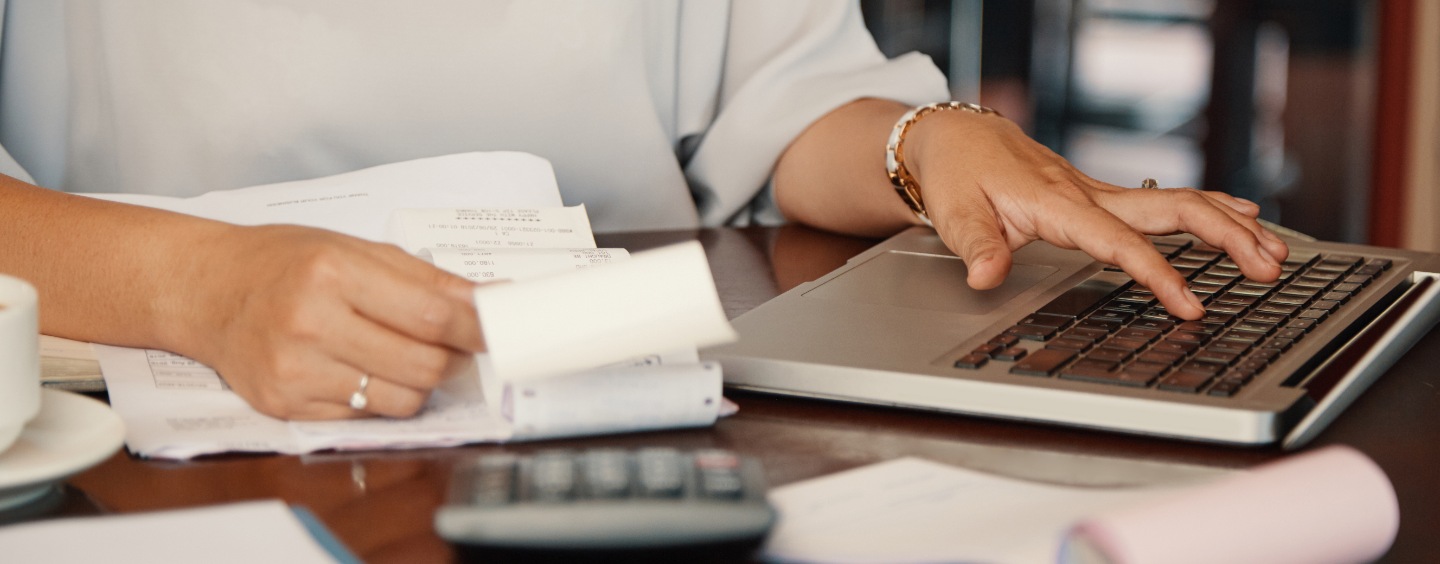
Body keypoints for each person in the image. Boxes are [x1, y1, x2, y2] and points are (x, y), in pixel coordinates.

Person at [0, 1, 1287, 421]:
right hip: (150, 405)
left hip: (635, 399)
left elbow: (783, 100)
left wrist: (933, 142)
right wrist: (193, 286)